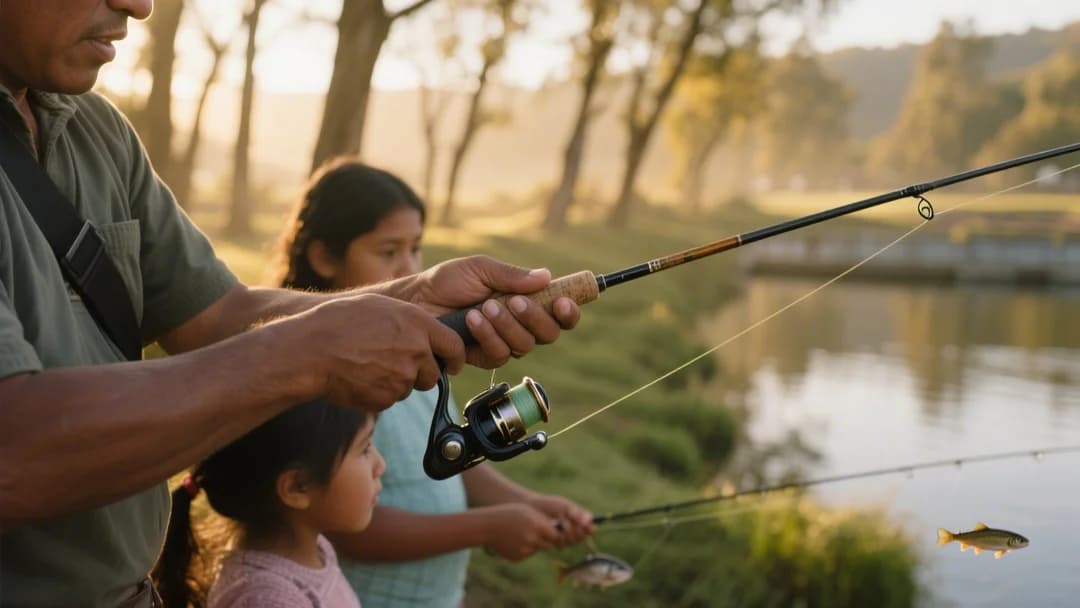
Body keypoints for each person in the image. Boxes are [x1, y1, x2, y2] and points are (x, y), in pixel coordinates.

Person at [0, 1, 581, 605]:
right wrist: (310, 352)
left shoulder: (97, 130)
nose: (139, 5)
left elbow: (218, 318)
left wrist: (413, 297)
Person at [275, 159, 596, 608]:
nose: (408, 268)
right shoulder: (318, 378)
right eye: (389, 252)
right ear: (325, 257)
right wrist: (487, 527)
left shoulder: (414, 358)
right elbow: (347, 527)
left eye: (415, 249)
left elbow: (450, 456)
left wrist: (527, 502)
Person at [153, 400, 384, 608]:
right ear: (297, 487)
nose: (380, 465)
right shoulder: (266, 598)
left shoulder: (317, 550)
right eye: (364, 449)